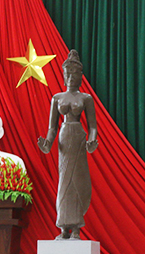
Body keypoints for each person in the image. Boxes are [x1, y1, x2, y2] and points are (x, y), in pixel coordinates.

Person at [38, 50, 97, 240]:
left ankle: (77, 228)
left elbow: (93, 127)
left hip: (79, 138)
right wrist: (47, 142)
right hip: (64, 139)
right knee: (64, 182)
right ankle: (64, 227)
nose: (71, 78)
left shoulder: (85, 98)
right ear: (64, 76)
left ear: (80, 77)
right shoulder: (57, 98)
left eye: (74, 74)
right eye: (67, 74)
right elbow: (52, 127)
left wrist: (91, 141)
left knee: (77, 181)